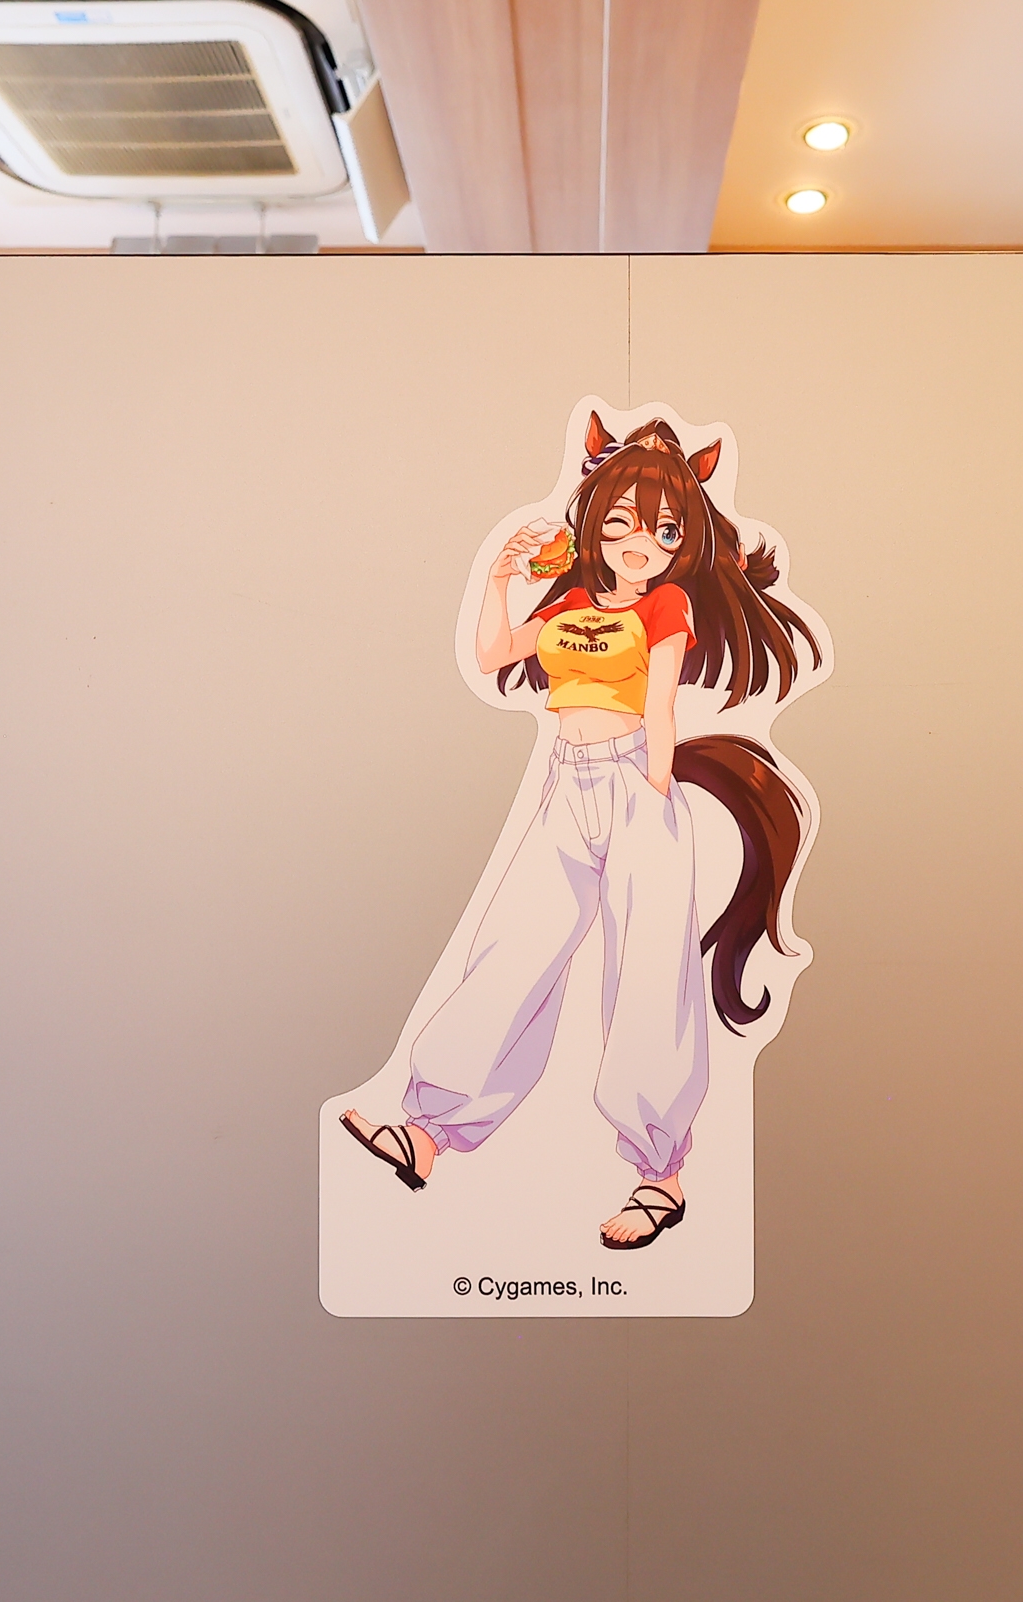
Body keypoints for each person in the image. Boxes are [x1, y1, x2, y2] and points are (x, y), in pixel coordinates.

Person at [338, 414, 821, 1248]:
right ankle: (429, 1131)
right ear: (596, 522)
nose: (642, 545)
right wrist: (498, 580)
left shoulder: (667, 603)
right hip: (567, 785)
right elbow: (493, 655)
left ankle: (659, 1175)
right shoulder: (568, 600)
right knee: (512, 950)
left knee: (646, 978)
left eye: (665, 532)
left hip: (637, 784)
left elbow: (661, 702)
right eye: (624, 523)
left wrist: (655, 789)